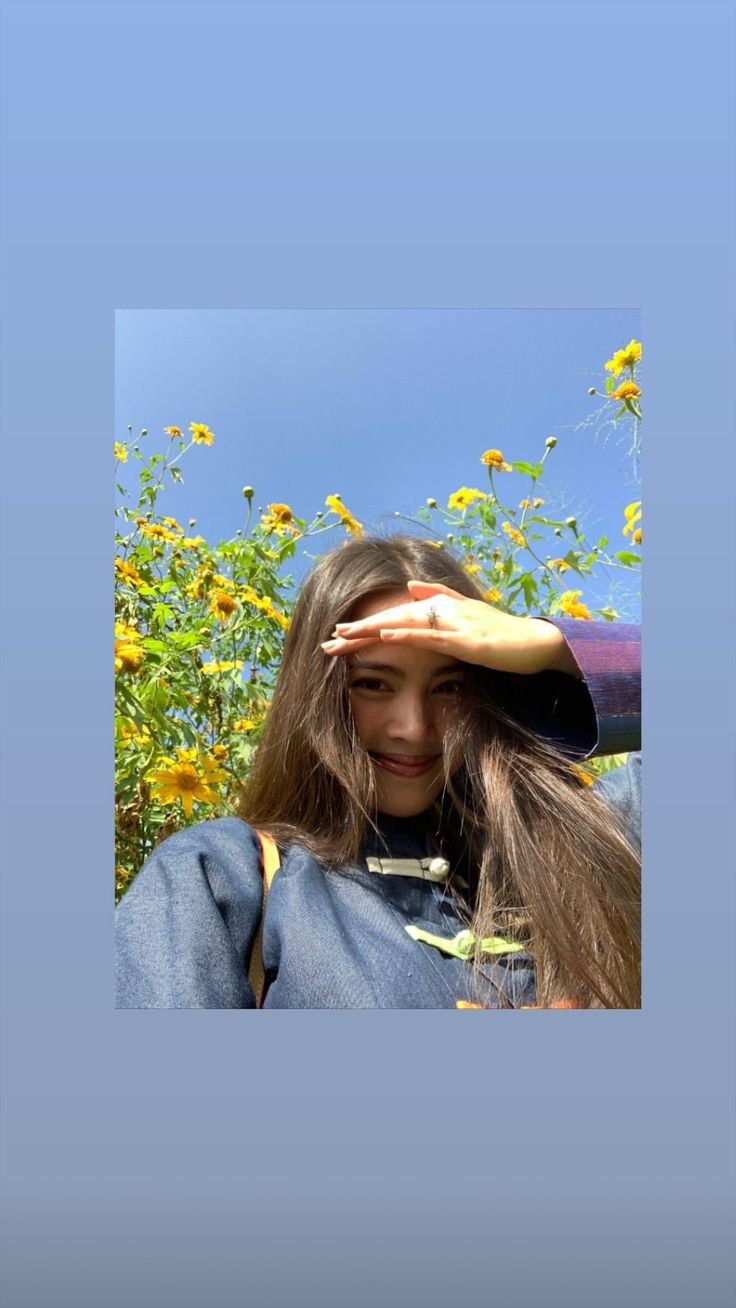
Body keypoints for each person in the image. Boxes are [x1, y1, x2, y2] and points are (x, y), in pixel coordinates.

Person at [116, 534, 641, 1009]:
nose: (414, 728)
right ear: (315, 692)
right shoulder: (220, 877)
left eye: (450, 687)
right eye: (372, 683)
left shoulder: (584, 848)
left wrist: (555, 651)